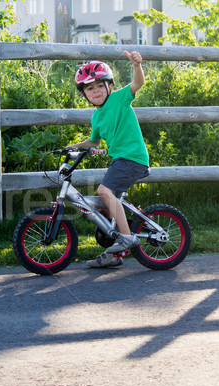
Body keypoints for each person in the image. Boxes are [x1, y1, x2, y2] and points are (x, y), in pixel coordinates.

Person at [66, 51, 150, 268]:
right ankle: (115, 255)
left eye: (99, 86)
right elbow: (93, 142)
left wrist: (136, 65)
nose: (95, 91)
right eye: (89, 88)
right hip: (120, 161)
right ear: (84, 94)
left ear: (109, 86)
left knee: (104, 191)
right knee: (106, 205)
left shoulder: (119, 99)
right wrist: (74, 147)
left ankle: (126, 237)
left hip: (132, 158)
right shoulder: (96, 116)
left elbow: (138, 83)